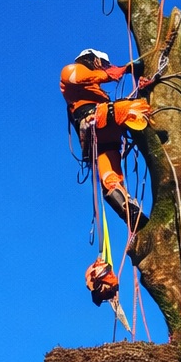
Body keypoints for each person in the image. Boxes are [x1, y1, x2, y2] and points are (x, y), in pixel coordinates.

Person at [60, 48, 157, 232]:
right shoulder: (71, 71)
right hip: (94, 120)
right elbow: (78, 77)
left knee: (110, 178)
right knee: (135, 108)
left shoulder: (95, 91)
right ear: (92, 59)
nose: (104, 67)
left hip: (104, 136)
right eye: (102, 64)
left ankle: (131, 214)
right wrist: (118, 71)